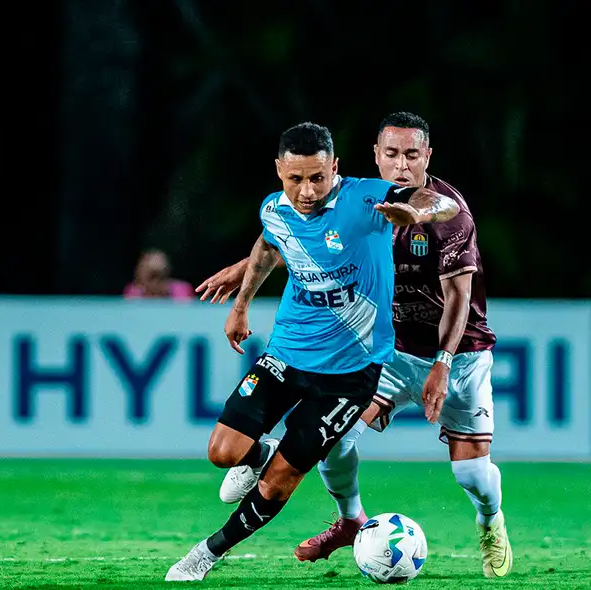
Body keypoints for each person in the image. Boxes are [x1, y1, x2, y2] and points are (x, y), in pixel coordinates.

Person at [198, 112, 513, 578]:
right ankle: (350, 521)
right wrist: (243, 270)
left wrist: (443, 364)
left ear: (427, 156)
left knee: (472, 474)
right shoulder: (364, 200)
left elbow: (459, 297)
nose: (401, 165)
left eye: (412, 155)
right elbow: (310, 241)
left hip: (458, 354)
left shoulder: (449, 217)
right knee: (335, 440)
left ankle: (490, 520)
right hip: (389, 353)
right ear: (375, 156)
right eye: (392, 154)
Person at [123, 249, 194, 300]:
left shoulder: (182, 291)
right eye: (151, 277)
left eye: (161, 277)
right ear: (140, 278)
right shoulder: (134, 293)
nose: (156, 283)